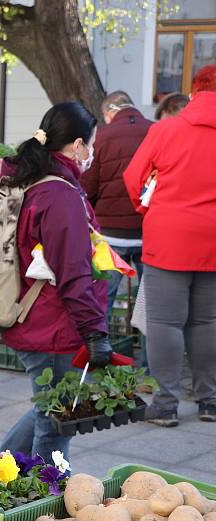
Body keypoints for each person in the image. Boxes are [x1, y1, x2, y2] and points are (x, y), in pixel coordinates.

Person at [0, 102, 110, 460]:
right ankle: (43, 502)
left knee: (49, 408)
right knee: (58, 422)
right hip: (55, 326)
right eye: (90, 145)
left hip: (36, 317)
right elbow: (73, 273)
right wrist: (95, 332)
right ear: (77, 145)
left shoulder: (32, 180)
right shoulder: (59, 195)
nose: (91, 153)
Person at [123, 65, 216, 427]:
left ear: (193, 93)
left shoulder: (166, 129)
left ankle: (165, 404)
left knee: (165, 323)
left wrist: (148, 207)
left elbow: (134, 178)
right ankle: (209, 401)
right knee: (208, 321)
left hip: (169, 236)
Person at [80, 91, 152, 316]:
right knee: (150, 309)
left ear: (109, 112)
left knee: (102, 302)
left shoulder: (102, 136)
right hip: (148, 232)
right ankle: (147, 353)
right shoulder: (156, 131)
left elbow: (88, 187)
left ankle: (101, 351)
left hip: (110, 235)